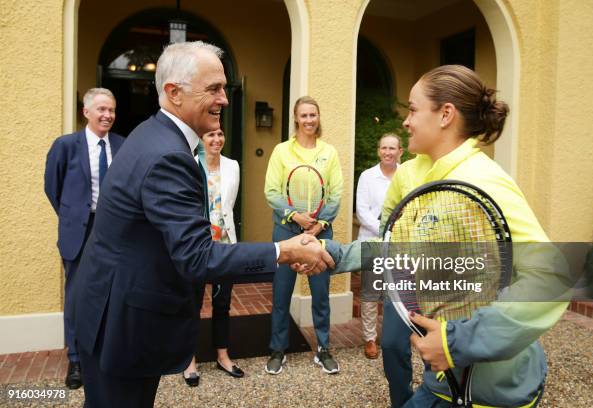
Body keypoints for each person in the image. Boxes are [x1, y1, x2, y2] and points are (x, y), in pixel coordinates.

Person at [72, 41, 334, 407]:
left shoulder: (151, 134)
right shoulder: (168, 155)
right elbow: (196, 257)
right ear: (173, 93)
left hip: (107, 311)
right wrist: (283, 251)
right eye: (213, 89)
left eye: (224, 87)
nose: (225, 99)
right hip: (120, 326)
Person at [326, 65, 568, 407]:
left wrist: (457, 341)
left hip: (497, 394)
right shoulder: (421, 174)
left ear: (445, 115)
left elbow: (553, 278)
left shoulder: (483, 180)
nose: (406, 121)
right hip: (442, 383)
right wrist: (333, 255)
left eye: (413, 109)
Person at [44, 88, 124, 390]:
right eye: (102, 109)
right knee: (77, 295)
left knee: (111, 289)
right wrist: (74, 216)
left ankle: (104, 349)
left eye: (112, 110)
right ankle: (76, 359)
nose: (107, 115)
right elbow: (53, 188)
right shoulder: (65, 146)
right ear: (86, 112)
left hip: (112, 230)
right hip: (79, 230)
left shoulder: (122, 144)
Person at [264, 96, 343, 375]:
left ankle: (323, 349)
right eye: (304, 115)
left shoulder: (329, 153)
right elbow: (272, 192)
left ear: (318, 118)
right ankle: (277, 350)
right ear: (296, 119)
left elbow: (335, 194)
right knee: (281, 294)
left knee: (321, 295)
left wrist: (318, 225)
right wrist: (295, 216)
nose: (309, 120)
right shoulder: (282, 151)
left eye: (313, 115)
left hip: (319, 233)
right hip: (286, 231)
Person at [182, 128, 244, 386]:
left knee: (222, 303)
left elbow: (228, 206)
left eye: (221, 134)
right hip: (197, 245)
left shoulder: (232, 166)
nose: (217, 139)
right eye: (211, 135)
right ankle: (189, 360)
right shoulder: (189, 164)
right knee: (192, 304)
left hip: (225, 245)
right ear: (200, 139)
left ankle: (222, 354)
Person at [356, 133, 403, 359]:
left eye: (392, 148)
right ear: (378, 151)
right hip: (372, 242)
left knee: (395, 293)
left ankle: (392, 336)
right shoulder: (367, 176)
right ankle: (370, 339)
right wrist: (387, 231)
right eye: (384, 148)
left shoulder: (406, 176)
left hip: (399, 244)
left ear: (400, 151)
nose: (387, 152)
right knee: (370, 292)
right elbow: (363, 213)